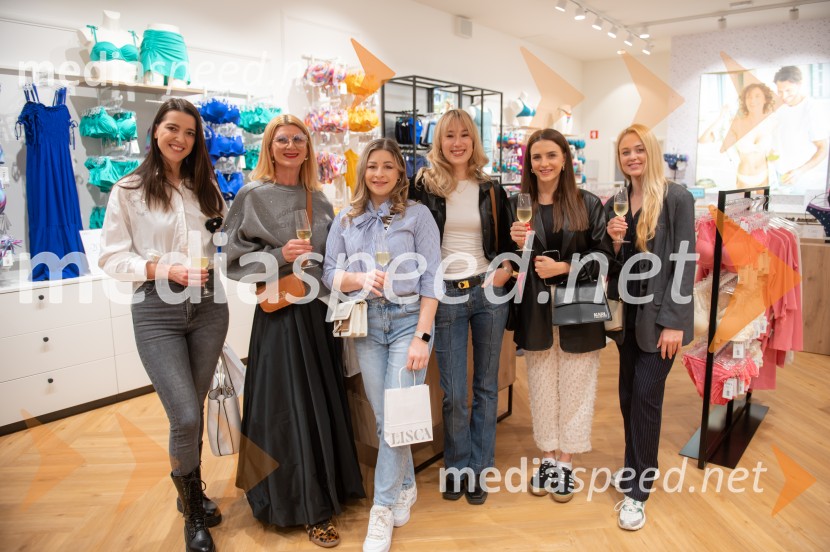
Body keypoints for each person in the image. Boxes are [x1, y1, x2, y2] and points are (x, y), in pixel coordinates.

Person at [223, 114, 365, 548]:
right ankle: (299, 503)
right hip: (281, 316)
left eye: (298, 140)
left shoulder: (319, 200)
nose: (290, 146)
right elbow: (231, 259)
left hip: (318, 313)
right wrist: (277, 253)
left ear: (308, 149)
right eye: (281, 140)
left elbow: (332, 257)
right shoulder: (251, 196)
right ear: (269, 146)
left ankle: (326, 490)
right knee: (289, 409)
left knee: (320, 402)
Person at [98, 98, 228, 552]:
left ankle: (191, 490)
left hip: (210, 307)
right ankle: (193, 510)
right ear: (155, 131)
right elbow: (111, 257)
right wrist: (162, 268)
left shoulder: (205, 185)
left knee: (197, 407)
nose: (181, 139)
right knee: (185, 413)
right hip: (157, 310)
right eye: (173, 129)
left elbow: (222, 242)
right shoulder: (129, 189)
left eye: (190, 133)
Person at [323, 138, 441, 552]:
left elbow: (432, 281)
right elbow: (328, 273)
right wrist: (356, 280)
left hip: (409, 320)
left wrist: (423, 336)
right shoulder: (346, 220)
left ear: (400, 174)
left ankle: (383, 509)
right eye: (372, 166)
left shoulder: (419, 215)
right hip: (367, 324)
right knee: (384, 416)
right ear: (363, 171)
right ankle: (406, 484)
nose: (379, 174)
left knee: (395, 415)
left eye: (388, 167)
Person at [409, 108, 512, 505]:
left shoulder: (490, 187)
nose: (457, 142)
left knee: (486, 386)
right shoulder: (425, 185)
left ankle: (479, 469)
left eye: (464, 135)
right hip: (445, 294)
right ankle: (456, 466)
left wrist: (503, 270)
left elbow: (507, 239)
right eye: (449, 135)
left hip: (489, 294)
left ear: (473, 141)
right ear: (439, 141)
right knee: (454, 392)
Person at [507, 128, 613, 504]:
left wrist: (565, 268)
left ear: (565, 159)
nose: (544, 163)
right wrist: (514, 247)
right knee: (540, 386)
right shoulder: (517, 204)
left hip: (578, 308)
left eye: (551, 155)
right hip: (535, 310)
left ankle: (566, 462)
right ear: (529, 164)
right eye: (537, 157)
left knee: (575, 387)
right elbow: (507, 262)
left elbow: (604, 257)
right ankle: (548, 458)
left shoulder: (587, 204)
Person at [606, 124, 695, 531]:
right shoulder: (620, 200)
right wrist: (613, 241)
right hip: (628, 319)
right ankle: (632, 471)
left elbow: (684, 261)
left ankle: (638, 492)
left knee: (645, 396)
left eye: (639, 149)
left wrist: (675, 322)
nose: (632, 157)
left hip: (660, 320)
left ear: (652, 151)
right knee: (628, 397)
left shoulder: (676, 198)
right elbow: (618, 265)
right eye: (625, 151)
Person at [699, 83, 778, 189]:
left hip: (765, 176)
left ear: (765, 99)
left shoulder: (771, 122)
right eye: (748, 97)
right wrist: (721, 116)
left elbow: (775, 154)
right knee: (743, 206)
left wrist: (774, 157)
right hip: (744, 178)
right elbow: (703, 139)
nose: (752, 100)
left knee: (764, 206)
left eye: (757, 96)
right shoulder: (736, 124)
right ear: (745, 101)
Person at [773, 66, 829, 192]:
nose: (784, 96)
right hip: (783, 177)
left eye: (788, 90)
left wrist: (800, 171)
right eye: (780, 91)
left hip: (805, 180)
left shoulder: (812, 109)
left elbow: (823, 148)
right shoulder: (780, 108)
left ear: (800, 85)